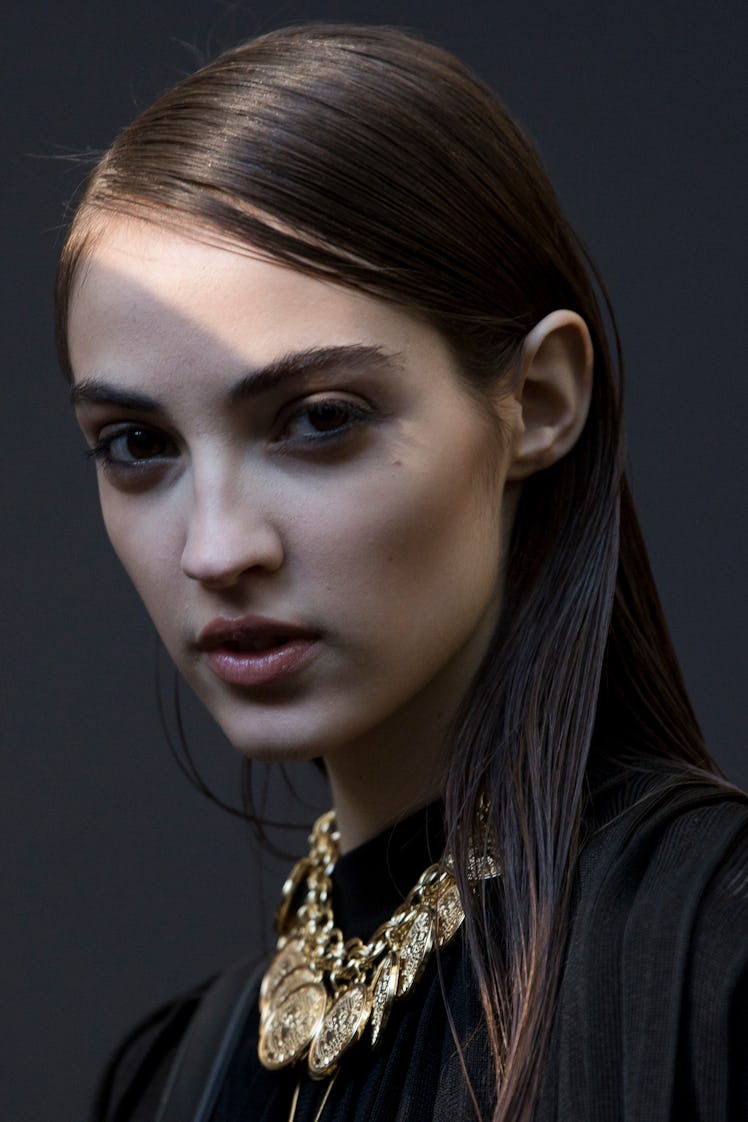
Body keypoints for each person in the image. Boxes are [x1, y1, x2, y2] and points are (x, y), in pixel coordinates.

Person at [56, 23, 747, 1122]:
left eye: (318, 420)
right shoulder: (173, 1078)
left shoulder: (716, 964)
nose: (217, 548)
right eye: (139, 445)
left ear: (542, 402)